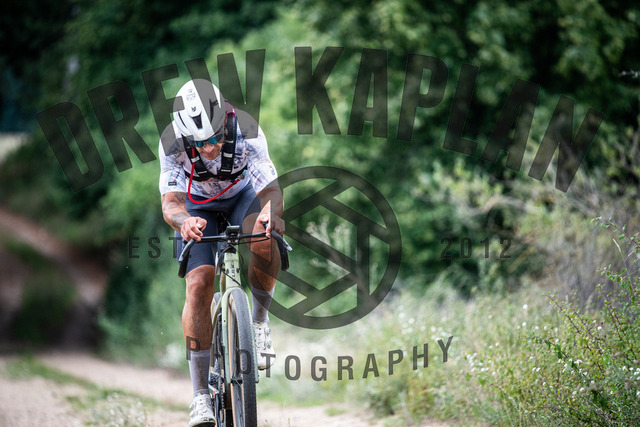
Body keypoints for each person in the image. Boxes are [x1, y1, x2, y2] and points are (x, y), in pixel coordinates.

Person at [158, 79, 284, 426]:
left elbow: (271, 190)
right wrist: (183, 221)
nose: (211, 147)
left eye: (215, 137)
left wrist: (269, 213)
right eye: (200, 143)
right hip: (196, 206)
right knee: (199, 282)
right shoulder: (170, 142)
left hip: (242, 194)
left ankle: (258, 321)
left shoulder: (246, 128)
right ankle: (200, 396)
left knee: (266, 236)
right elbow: (170, 203)